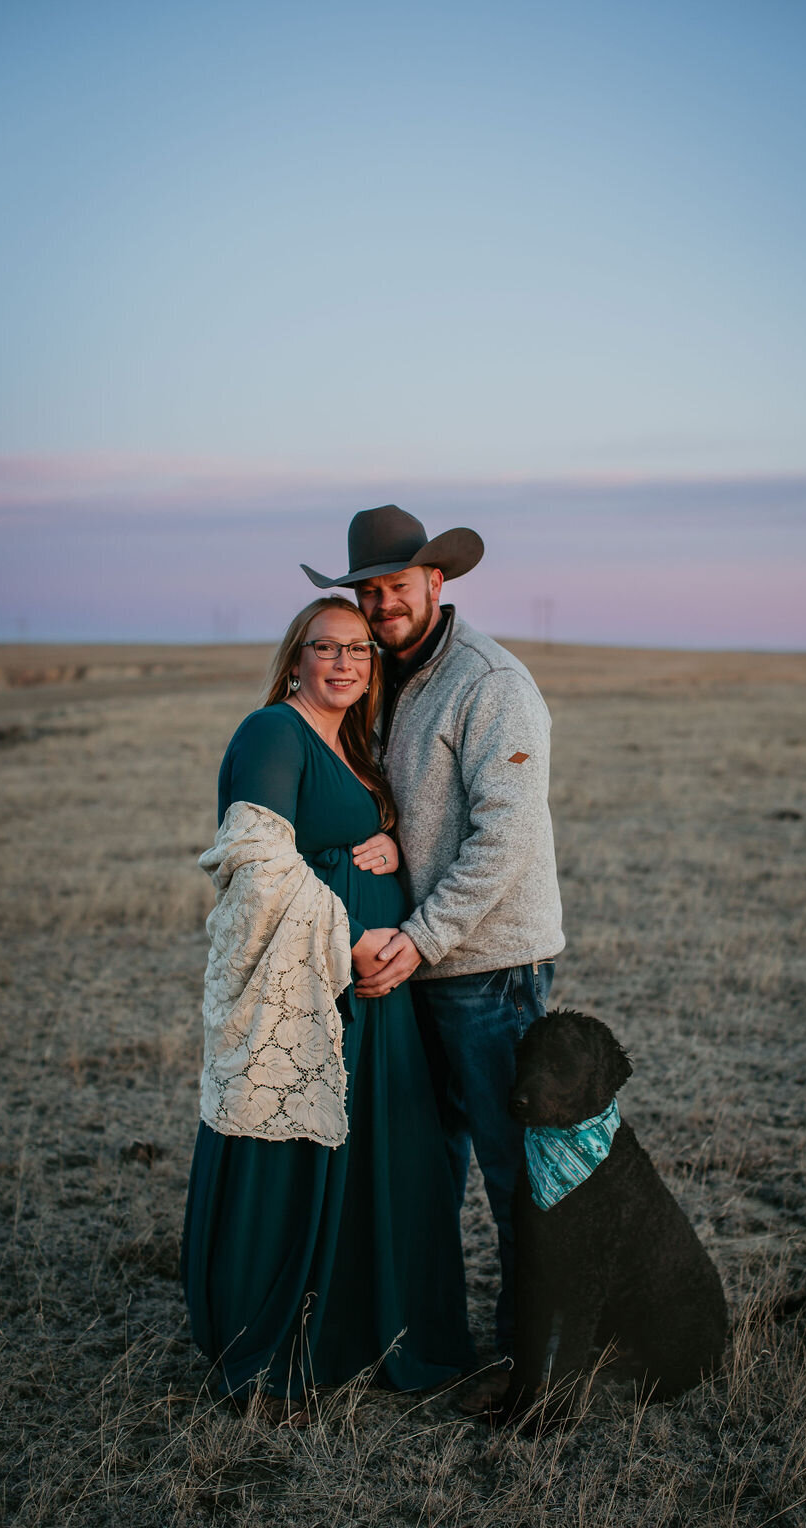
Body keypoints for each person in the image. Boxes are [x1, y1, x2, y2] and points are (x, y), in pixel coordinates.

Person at [181, 595, 472, 1416]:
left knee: (371, 1157)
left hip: (375, 996)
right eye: (327, 648)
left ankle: (356, 1334)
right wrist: (347, 942)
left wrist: (389, 849)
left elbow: (328, 845)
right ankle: (263, 1351)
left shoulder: (352, 747)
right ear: (297, 657)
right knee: (293, 1156)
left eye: (360, 651)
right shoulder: (273, 732)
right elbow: (257, 862)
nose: (345, 663)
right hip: (310, 988)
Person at [301, 509, 564, 1401]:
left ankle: (540, 1364)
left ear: (436, 583)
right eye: (368, 593)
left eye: (396, 590)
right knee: (428, 1166)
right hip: (420, 972)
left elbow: (506, 836)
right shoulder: (391, 678)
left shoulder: (490, 682)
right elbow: (413, 799)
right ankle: (428, 1337)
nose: (382, 608)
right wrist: (387, 841)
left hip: (488, 971)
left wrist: (417, 935)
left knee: (510, 1168)